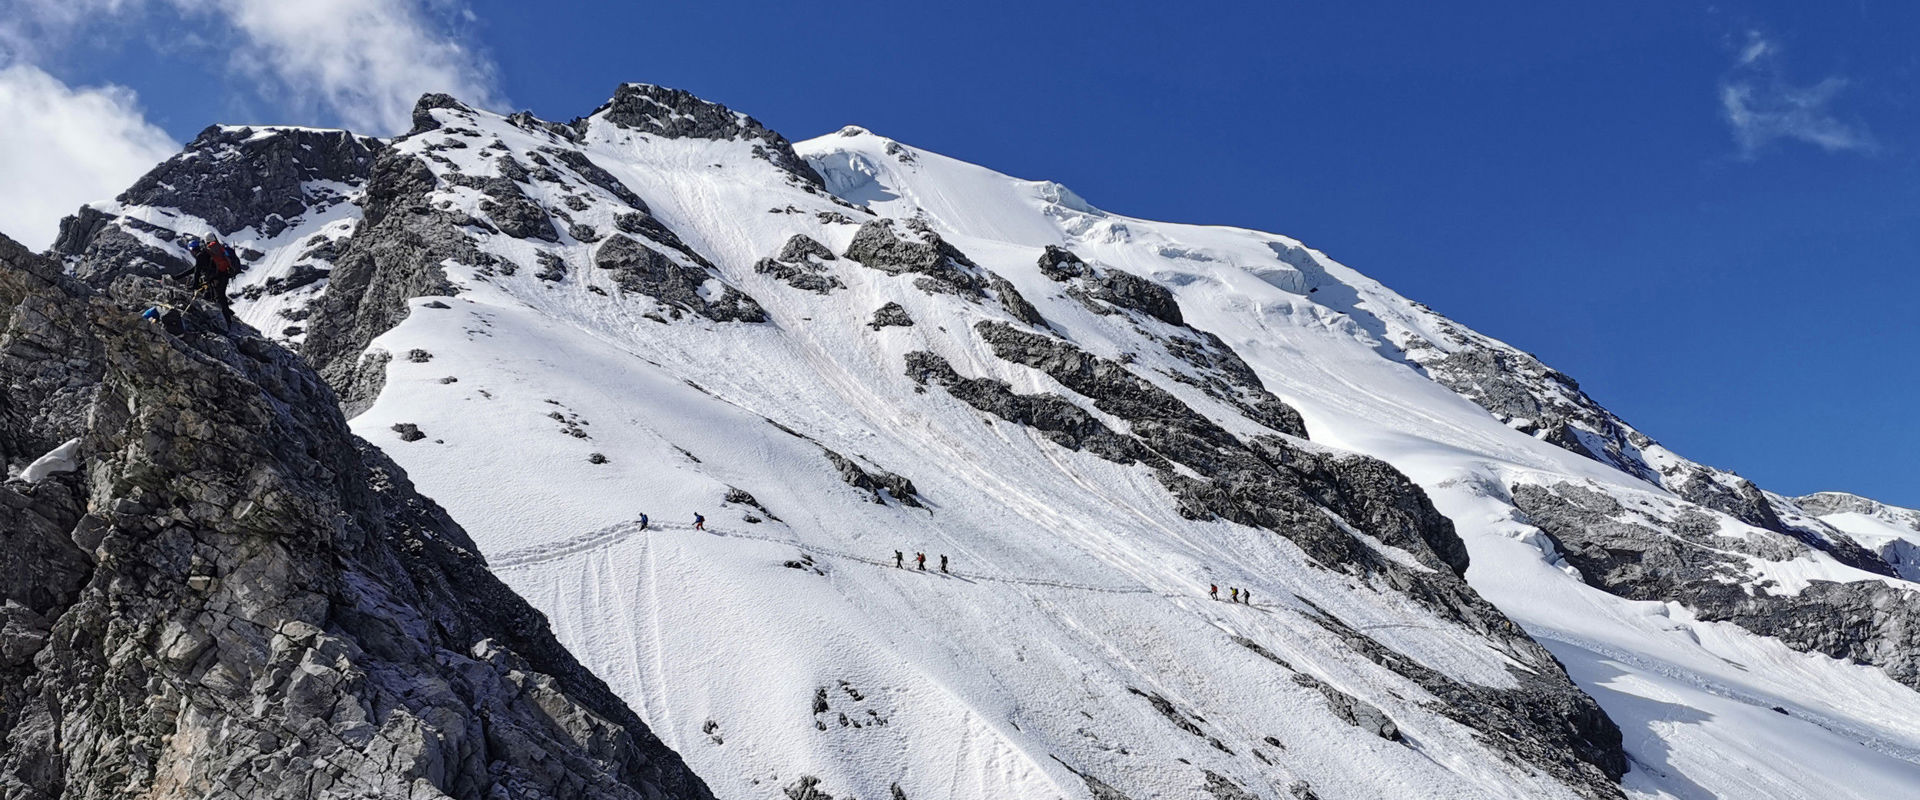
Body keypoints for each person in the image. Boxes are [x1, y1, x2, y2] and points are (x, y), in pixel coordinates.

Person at [186, 234, 241, 319]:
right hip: (225, 274)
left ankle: (226, 320)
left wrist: (195, 285)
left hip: (217, 278)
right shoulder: (219, 248)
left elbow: (197, 270)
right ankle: (228, 314)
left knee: (219, 298)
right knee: (221, 297)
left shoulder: (207, 251)